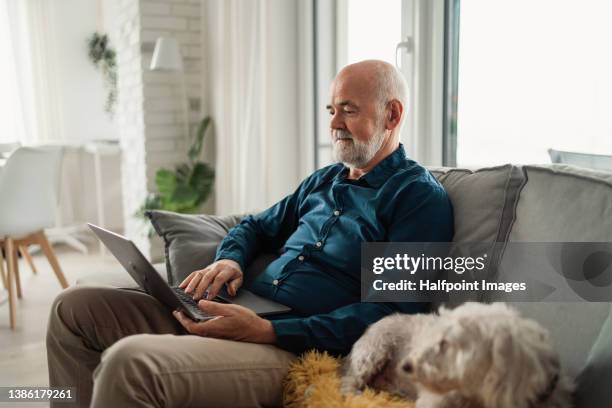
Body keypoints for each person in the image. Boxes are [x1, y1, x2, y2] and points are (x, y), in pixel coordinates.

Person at [46, 59, 453, 407]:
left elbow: (394, 312)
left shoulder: (416, 197)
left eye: (348, 110)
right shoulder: (323, 181)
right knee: (73, 308)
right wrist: (230, 258)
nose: (333, 123)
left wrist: (269, 330)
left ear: (392, 114)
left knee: (131, 363)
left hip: (294, 347)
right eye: (331, 109)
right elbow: (256, 226)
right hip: (243, 308)